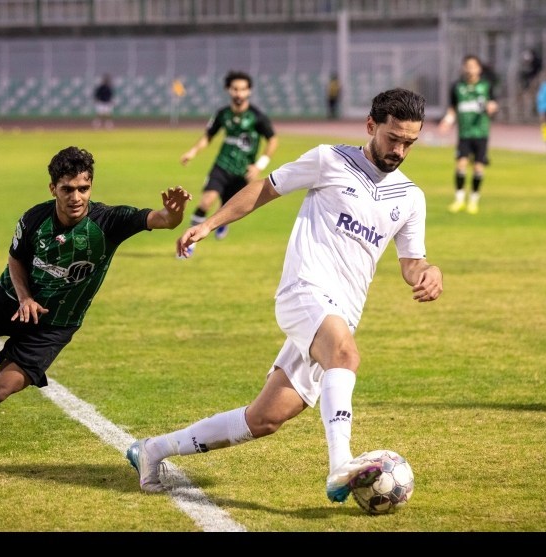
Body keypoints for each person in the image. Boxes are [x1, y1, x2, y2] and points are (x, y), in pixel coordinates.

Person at [126, 88, 443, 506]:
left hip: (341, 314)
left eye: (409, 143)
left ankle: (153, 450)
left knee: (264, 419)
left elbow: (411, 263)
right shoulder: (329, 160)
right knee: (345, 355)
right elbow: (264, 189)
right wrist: (208, 224)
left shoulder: (410, 198)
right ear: (371, 125)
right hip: (303, 291)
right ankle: (340, 464)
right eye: (393, 138)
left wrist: (428, 272)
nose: (399, 150)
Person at [0, 146, 192, 447]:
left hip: (54, 325)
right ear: (53, 188)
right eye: (67, 189)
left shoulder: (110, 221)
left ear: (91, 186)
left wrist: (174, 213)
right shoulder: (34, 219)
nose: (76, 197)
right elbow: (15, 260)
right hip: (8, 299)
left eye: (83, 188)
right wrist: (25, 298)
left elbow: (162, 220)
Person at [178, 70, 278, 257]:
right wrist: (192, 152)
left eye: (243, 89)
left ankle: (223, 223)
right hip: (222, 166)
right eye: (235, 89)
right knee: (206, 202)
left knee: (227, 209)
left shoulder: (257, 117)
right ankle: (190, 243)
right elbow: (208, 136)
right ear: (228, 90)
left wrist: (259, 165)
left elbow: (272, 140)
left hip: (242, 172)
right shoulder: (222, 114)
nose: (239, 93)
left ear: (249, 91)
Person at [437, 54, 499, 215]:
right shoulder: (457, 87)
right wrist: (447, 121)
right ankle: (459, 200)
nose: (470, 69)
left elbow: (493, 103)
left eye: (473, 66)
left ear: (479, 68)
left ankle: (473, 201)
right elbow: (453, 108)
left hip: (481, 133)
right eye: (468, 66)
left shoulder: (486, 85)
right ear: (463, 68)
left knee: (478, 167)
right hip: (464, 134)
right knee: (461, 165)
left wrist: (492, 107)